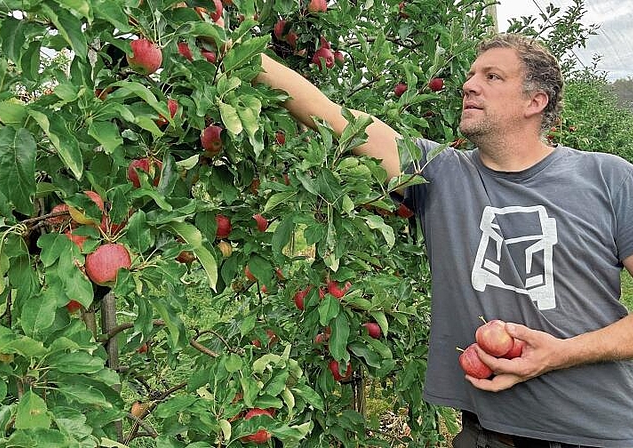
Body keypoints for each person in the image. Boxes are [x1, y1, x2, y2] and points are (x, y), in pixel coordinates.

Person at [255, 33, 633, 448]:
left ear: (534, 101)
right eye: (471, 75)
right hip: (485, 435)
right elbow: (331, 115)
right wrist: (228, 50)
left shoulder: (608, 178)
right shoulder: (439, 173)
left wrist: (560, 353)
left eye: (492, 76)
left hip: (599, 432)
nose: (469, 85)